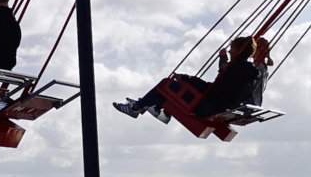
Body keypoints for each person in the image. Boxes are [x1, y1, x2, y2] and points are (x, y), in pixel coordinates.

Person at [113, 35, 271, 122]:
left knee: (167, 84)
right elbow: (221, 84)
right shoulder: (248, 72)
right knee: (175, 86)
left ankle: (136, 109)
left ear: (237, 51)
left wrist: (187, 79)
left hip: (208, 107)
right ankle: (155, 107)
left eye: (231, 49)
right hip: (220, 105)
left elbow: (212, 89)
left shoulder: (234, 70)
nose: (229, 52)